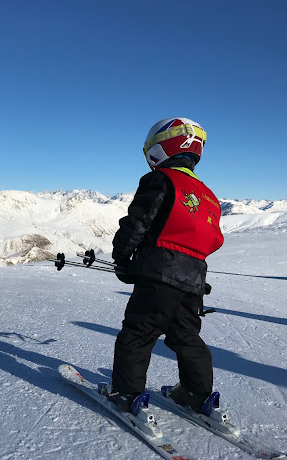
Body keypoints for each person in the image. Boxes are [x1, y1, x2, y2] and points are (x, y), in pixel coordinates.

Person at [106, 117, 224, 415]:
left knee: (138, 333)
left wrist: (122, 258)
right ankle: (197, 394)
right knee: (186, 336)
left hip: (158, 275)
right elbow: (212, 239)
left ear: (160, 147)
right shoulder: (208, 195)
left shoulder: (161, 179)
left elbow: (137, 223)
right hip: (193, 281)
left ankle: (126, 394)